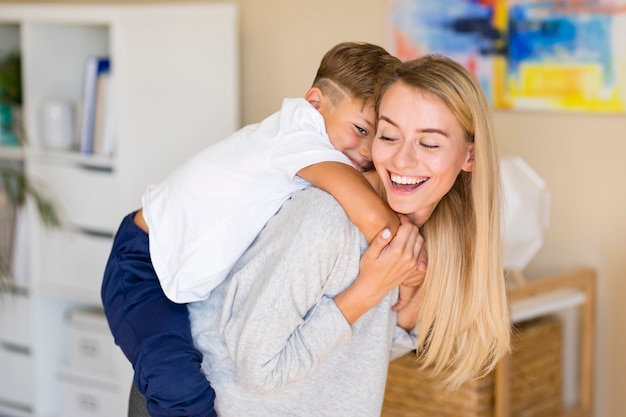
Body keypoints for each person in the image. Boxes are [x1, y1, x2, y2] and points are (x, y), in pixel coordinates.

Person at [160, 54, 510, 416]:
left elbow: (356, 354)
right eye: (388, 135)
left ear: (470, 156)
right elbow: (259, 371)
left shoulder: (430, 239)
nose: (403, 160)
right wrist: (370, 288)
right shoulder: (325, 218)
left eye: (429, 143)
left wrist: (409, 305)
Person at [101, 42, 415, 417]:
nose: (365, 150)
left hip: (176, 270)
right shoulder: (297, 135)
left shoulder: (305, 150)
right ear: (314, 102)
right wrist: (409, 272)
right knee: (178, 386)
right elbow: (371, 215)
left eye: (377, 136)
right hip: (142, 265)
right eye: (360, 129)